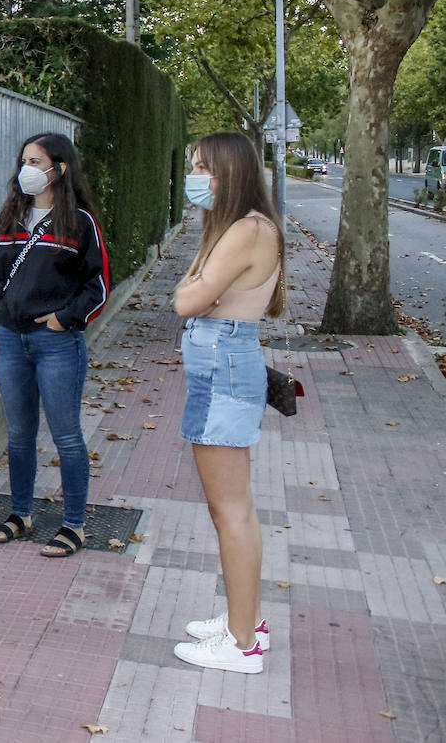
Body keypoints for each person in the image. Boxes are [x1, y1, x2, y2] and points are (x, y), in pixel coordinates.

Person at [171, 131, 284, 674]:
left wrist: (196, 285)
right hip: (222, 365)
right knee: (231, 509)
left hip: (223, 367)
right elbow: (194, 292)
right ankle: (247, 620)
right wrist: (198, 284)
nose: (195, 177)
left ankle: (242, 645)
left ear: (230, 172)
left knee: (230, 511)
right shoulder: (240, 228)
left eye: (202, 167)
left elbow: (185, 298)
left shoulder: (245, 230)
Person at [0, 132, 109, 558]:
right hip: (11, 341)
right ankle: (21, 514)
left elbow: (99, 283)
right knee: (18, 434)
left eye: (36, 161)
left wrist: (63, 319)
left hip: (56, 344)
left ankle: (74, 525)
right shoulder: (11, 218)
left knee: (67, 436)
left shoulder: (80, 223)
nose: (26, 169)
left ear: (60, 169)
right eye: (24, 161)